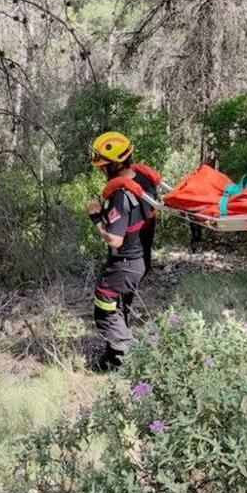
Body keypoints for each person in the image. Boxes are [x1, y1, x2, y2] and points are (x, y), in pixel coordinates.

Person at [86, 132, 154, 370]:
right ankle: (112, 361)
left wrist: (96, 217)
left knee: (104, 309)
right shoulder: (144, 181)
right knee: (120, 307)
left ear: (114, 164)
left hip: (124, 263)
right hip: (141, 261)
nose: (101, 171)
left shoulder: (121, 197)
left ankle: (129, 360)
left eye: (103, 166)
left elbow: (114, 239)